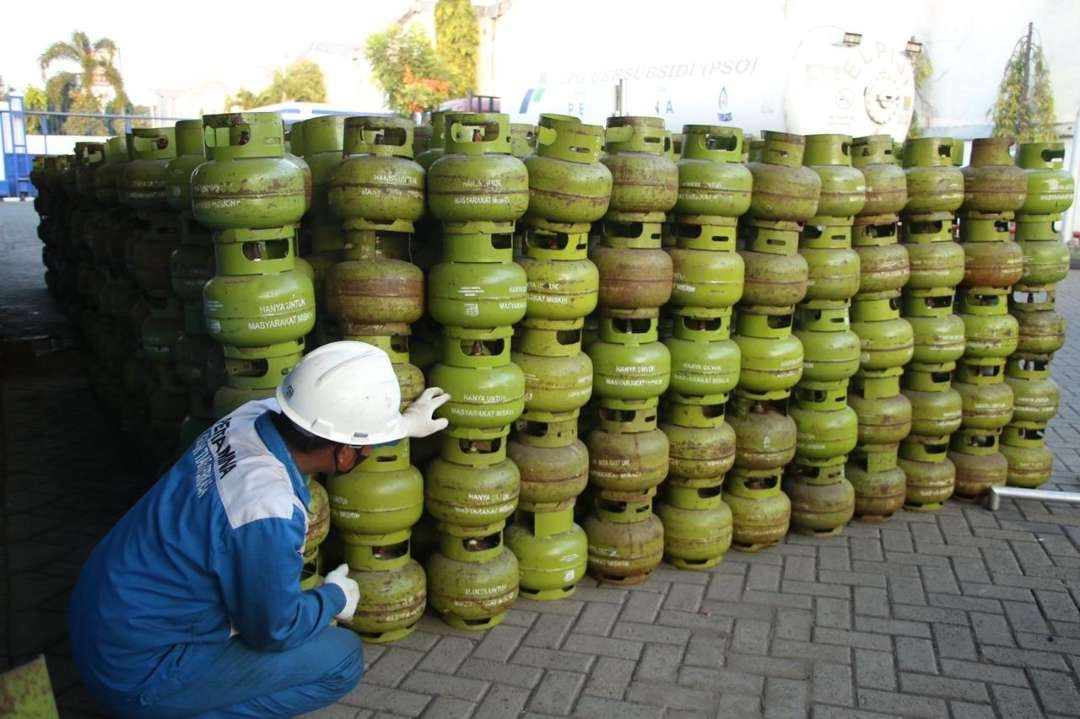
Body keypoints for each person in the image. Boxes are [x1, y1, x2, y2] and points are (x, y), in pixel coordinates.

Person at [68, 341, 449, 718]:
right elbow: (273, 630)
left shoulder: (249, 416)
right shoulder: (267, 510)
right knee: (341, 659)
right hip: (138, 673)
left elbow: (328, 424)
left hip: (107, 616)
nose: (366, 455)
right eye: (366, 450)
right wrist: (334, 598)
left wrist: (403, 424)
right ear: (344, 453)